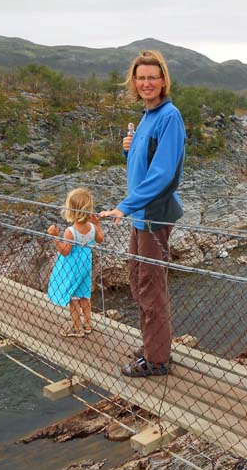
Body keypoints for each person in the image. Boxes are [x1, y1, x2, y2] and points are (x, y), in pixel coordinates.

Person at [100, 50, 185, 377]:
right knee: (138, 281)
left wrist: (125, 206)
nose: (147, 83)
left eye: (153, 77)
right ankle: (153, 344)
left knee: (150, 286)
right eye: (141, 77)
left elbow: (162, 174)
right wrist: (129, 150)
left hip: (154, 215)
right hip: (141, 216)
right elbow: (144, 167)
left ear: (163, 80)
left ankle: (157, 360)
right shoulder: (148, 115)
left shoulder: (169, 116)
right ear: (134, 82)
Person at [47, 188, 104, 337]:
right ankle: (88, 325)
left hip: (72, 266)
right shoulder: (91, 227)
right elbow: (100, 239)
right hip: (86, 264)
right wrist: (97, 224)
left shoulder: (70, 231)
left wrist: (54, 237)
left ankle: (77, 328)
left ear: (71, 210)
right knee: (85, 295)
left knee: (73, 297)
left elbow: (65, 251)